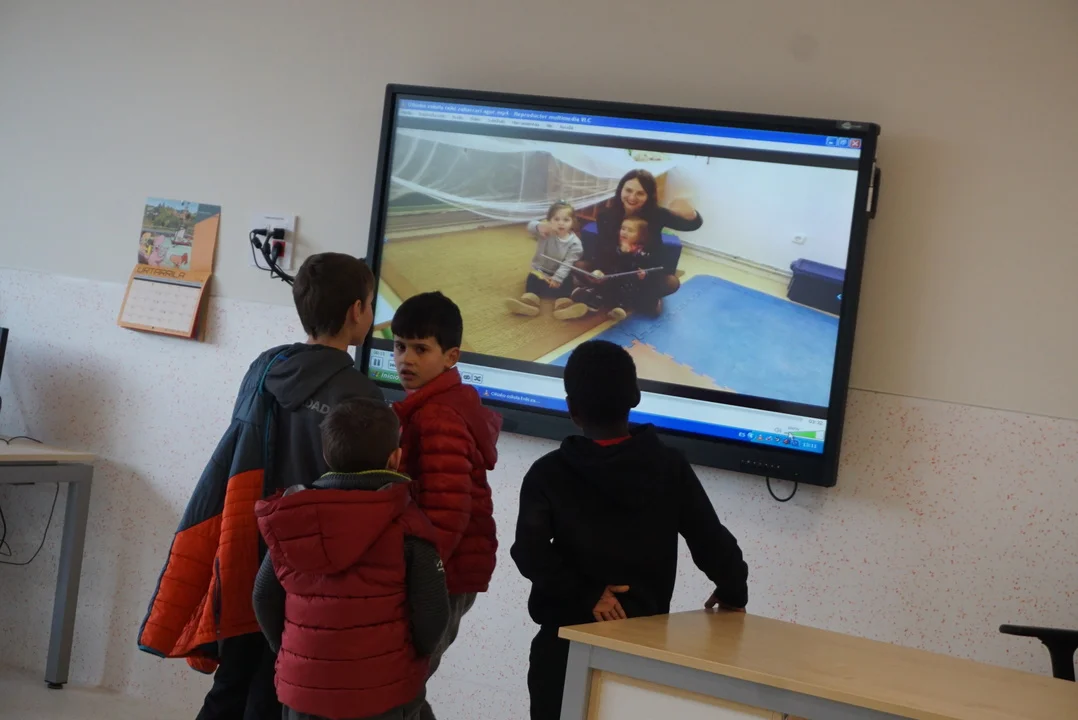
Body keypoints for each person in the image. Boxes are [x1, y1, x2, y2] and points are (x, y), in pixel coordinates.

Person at [137, 253, 385, 720]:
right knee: (274, 692)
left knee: (231, 683)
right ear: (357, 310)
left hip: (244, 551)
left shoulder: (264, 367)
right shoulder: (362, 395)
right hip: (306, 565)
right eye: (371, 303)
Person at [511, 340, 748, 720]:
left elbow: (529, 551)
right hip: (641, 652)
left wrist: (588, 594)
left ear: (571, 409)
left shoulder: (548, 472)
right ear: (635, 397)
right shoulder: (670, 467)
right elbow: (709, 539)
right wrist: (733, 589)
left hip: (562, 650)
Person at [253, 398, 449, 720]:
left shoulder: (293, 521)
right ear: (395, 458)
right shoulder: (410, 527)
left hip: (305, 691)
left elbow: (263, 597)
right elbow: (433, 613)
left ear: (326, 455)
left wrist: (290, 650)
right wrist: (413, 657)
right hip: (381, 692)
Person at [390, 291, 502, 719]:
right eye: (400, 346)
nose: (406, 359)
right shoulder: (429, 406)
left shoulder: (438, 415)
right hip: (441, 570)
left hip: (443, 574)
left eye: (421, 349)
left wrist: (421, 577)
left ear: (451, 356)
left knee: (401, 690)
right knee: (403, 688)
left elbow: (448, 514)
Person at [580, 168, 703, 312]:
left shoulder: (656, 214)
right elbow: (602, 250)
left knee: (672, 282)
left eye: (640, 193)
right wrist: (598, 271)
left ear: (648, 196)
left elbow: (692, 225)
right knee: (580, 266)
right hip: (614, 272)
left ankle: (614, 298)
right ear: (620, 190)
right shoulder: (606, 215)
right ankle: (631, 300)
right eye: (628, 190)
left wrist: (690, 213)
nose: (632, 197)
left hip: (642, 275)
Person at [567, 216, 662, 319]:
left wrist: (644, 274)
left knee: (630, 298)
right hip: (609, 280)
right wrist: (599, 271)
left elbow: (646, 268)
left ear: (640, 236)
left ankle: (618, 308)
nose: (624, 232)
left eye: (630, 230)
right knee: (600, 291)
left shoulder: (642, 252)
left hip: (628, 285)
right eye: (623, 228)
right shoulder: (614, 246)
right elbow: (604, 261)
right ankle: (585, 296)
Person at [505, 201, 586, 320]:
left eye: (566, 220)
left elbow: (567, 263)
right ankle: (529, 304)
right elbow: (530, 226)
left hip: (560, 275)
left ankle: (564, 307)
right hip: (541, 271)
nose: (561, 223)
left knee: (568, 282)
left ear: (573, 222)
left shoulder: (575, 244)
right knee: (532, 279)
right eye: (556, 219)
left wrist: (558, 278)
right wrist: (539, 226)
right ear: (549, 220)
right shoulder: (545, 232)